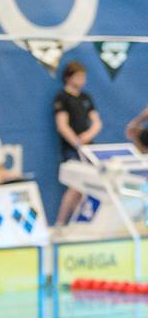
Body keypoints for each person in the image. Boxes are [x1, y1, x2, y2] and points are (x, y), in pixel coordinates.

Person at [54, 60, 102, 224]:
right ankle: (60, 223)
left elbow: (97, 123)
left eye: (84, 77)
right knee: (75, 186)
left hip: (89, 150)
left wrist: (88, 135)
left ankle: (80, 224)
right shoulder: (62, 98)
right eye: (79, 76)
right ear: (68, 77)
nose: (82, 80)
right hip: (72, 149)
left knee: (86, 187)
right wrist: (77, 143)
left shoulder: (86, 97)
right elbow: (62, 126)